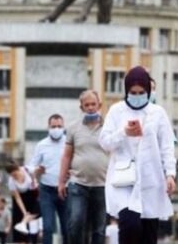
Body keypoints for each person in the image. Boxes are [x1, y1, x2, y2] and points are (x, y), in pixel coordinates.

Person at [99, 66, 177, 244]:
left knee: (148, 233)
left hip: (151, 179)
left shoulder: (158, 113)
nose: (137, 95)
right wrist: (124, 132)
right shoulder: (116, 111)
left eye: (141, 92)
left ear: (148, 90)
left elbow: (167, 146)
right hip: (123, 179)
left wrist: (170, 174)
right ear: (126, 90)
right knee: (130, 224)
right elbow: (104, 141)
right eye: (132, 92)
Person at [58, 90, 110, 244]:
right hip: (78, 183)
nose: (90, 108)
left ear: (99, 105)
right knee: (76, 221)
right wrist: (61, 182)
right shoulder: (73, 128)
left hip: (102, 184)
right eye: (86, 105)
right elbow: (66, 155)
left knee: (99, 228)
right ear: (81, 108)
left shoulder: (108, 126)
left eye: (93, 104)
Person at [30, 114, 68, 244]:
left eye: (59, 126)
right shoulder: (41, 145)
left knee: (67, 227)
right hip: (46, 191)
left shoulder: (69, 143)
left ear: (64, 127)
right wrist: (37, 170)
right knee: (47, 227)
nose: (56, 129)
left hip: (66, 190)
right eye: (53, 126)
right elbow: (31, 166)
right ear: (48, 127)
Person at [6, 163, 41, 244]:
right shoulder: (11, 181)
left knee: (38, 211)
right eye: (12, 175)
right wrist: (24, 212)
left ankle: (24, 223)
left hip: (31, 195)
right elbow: (17, 198)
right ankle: (21, 232)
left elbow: (38, 169)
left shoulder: (27, 170)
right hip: (20, 199)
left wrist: (35, 179)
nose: (14, 176)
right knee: (19, 220)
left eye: (15, 174)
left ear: (19, 169)